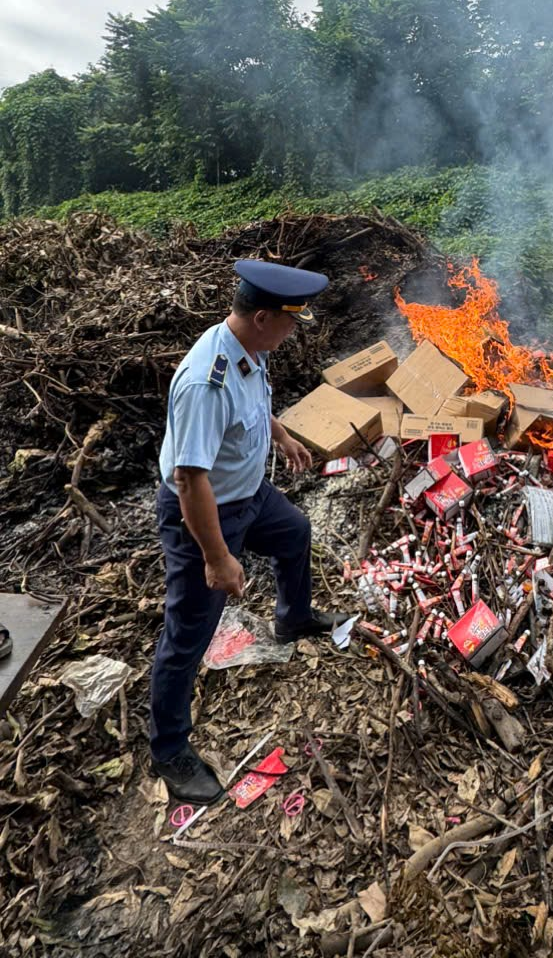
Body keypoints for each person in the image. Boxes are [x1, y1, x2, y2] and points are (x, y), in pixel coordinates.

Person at [150, 259, 348, 803]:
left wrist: (281, 438)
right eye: (291, 322)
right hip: (206, 512)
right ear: (262, 317)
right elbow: (190, 481)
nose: (295, 331)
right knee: (188, 632)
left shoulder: (248, 349)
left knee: (295, 532)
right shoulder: (203, 382)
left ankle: (294, 619)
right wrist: (216, 557)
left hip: (249, 494)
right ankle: (169, 751)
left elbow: (256, 405)